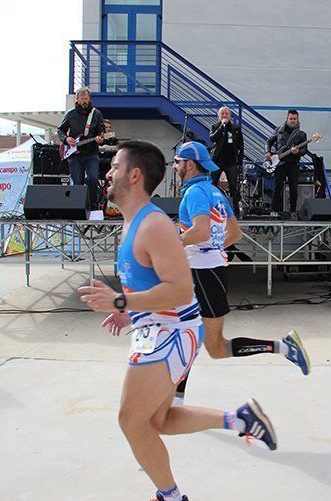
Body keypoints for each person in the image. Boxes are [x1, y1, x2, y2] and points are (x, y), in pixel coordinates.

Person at [78, 140, 277, 501]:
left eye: (115, 166)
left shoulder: (153, 224)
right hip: (158, 328)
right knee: (158, 420)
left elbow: (182, 290)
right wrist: (129, 312)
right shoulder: (134, 222)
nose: (107, 173)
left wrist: (121, 300)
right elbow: (154, 282)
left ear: (134, 175)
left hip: (169, 333)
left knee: (130, 420)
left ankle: (171, 497)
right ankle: (241, 419)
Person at [171, 141, 310, 404]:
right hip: (207, 272)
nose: (175, 165)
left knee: (209, 345)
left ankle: (175, 402)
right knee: (195, 340)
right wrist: (210, 249)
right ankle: (176, 400)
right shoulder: (215, 193)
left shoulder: (195, 194)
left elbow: (200, 231)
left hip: (203, 274)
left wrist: (172, 246)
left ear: (189, 164)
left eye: (178, 161)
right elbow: (234, 233)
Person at [57, 87, 104, 210]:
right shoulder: (70, 114)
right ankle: (79, 208)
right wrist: (66, 139)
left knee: (93, 178)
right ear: (77, 100)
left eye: (86, 98)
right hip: (75, 155)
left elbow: (101, 132)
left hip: (91, 153)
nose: (84, 101)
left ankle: (94, 207)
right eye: (82, 98)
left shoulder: (96, 114)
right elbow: (60, 130)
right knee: (77, 182)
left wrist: (101, 138)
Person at [266, 110, 307, 214]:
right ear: (287, 119)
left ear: (298, 119)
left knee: (293, 188)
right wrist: (268, 151)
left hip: (293, 163)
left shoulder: (302, 135)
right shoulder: (278, 130)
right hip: (280, 163)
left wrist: (297, 152)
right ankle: (274, 210)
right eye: (291, 118)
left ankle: (293, 211)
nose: (292, 121)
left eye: (294, 119)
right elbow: (269, 141)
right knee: (277, 186)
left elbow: (304, 150)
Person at [209, 106, 244, 214]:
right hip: (217, 161)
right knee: (212, 185)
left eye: (226, 114)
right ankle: (211, 209)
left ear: (230, 116)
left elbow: (240, 145)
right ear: (219, 116)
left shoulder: (235, 128)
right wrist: (221, 127)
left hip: (231, 161)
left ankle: (235, 211)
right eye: (222, 114)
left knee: (233, 186)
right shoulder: (215, 126)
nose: (224, 116)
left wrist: (240, 160)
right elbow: (212, 138)